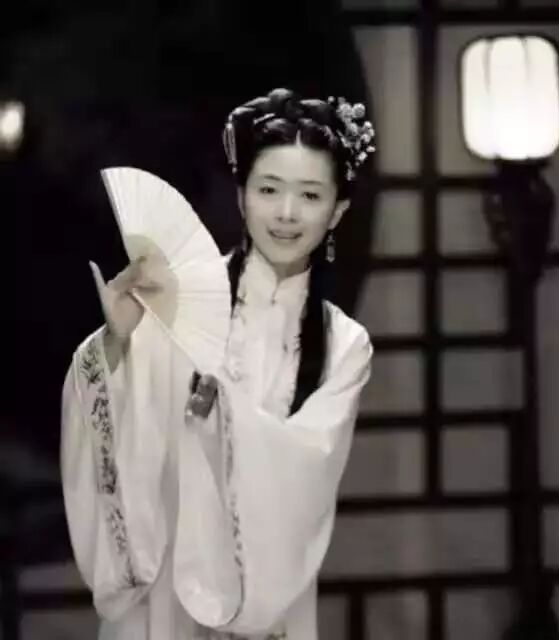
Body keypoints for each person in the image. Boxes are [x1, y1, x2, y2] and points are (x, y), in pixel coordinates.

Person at [60, 88, 376, 640]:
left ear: (337, 210)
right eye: (269, 189)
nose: (286, 213)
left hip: (265, 600)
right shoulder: (176, 299)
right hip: (163, 596)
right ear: (241, 196)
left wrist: (221, 418)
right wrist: (117, 341)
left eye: (309, 195)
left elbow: (306, 473)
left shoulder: (344, 344)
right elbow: (123, 428)